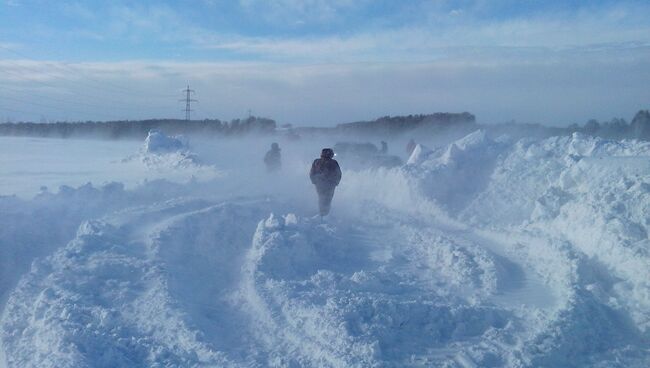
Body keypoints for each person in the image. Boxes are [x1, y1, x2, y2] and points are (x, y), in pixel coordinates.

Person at [309, 148, 342, 217]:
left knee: (321, 197)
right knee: (328, 198)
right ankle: (325, 213)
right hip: (330, 185)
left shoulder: (316, 161)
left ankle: (322, 212)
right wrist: (336, 182)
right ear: (331, 154)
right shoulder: (333, 162)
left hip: (319, 184)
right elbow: (338, 174)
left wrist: (314, 181)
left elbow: (312, 173)